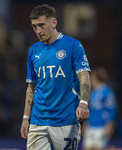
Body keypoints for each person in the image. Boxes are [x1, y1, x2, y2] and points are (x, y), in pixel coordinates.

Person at [20, 4, 91, 150]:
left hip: (66, 120)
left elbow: (84, 76)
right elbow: (31, 87)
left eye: (41, 25)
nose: (38, 31)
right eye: (34, 27)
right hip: (38, 120)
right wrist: (26, 118)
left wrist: (83, 103)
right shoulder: (33, 51)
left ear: (54, 22)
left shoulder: (73, 45)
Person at [82, 67, 117, 150]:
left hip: (102, 126)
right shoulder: (93, 93)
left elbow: (112, 109)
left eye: (92, 77)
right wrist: (86, 124)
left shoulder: (107, 91)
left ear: (96, 78)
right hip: (91, 126)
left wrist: (110, 124)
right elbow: (90, 110)